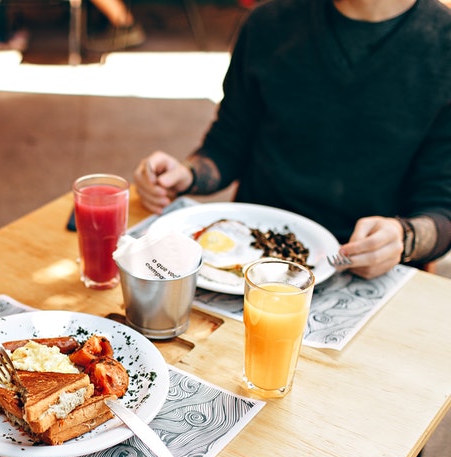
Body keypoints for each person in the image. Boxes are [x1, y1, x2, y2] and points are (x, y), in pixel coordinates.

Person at [134, 0, 451, 280]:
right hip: (250, 257)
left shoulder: (442, 43)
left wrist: (403, 237)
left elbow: (442, 211)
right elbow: (228, 143)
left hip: (365, 272)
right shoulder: (268, 23)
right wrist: (187, 174)